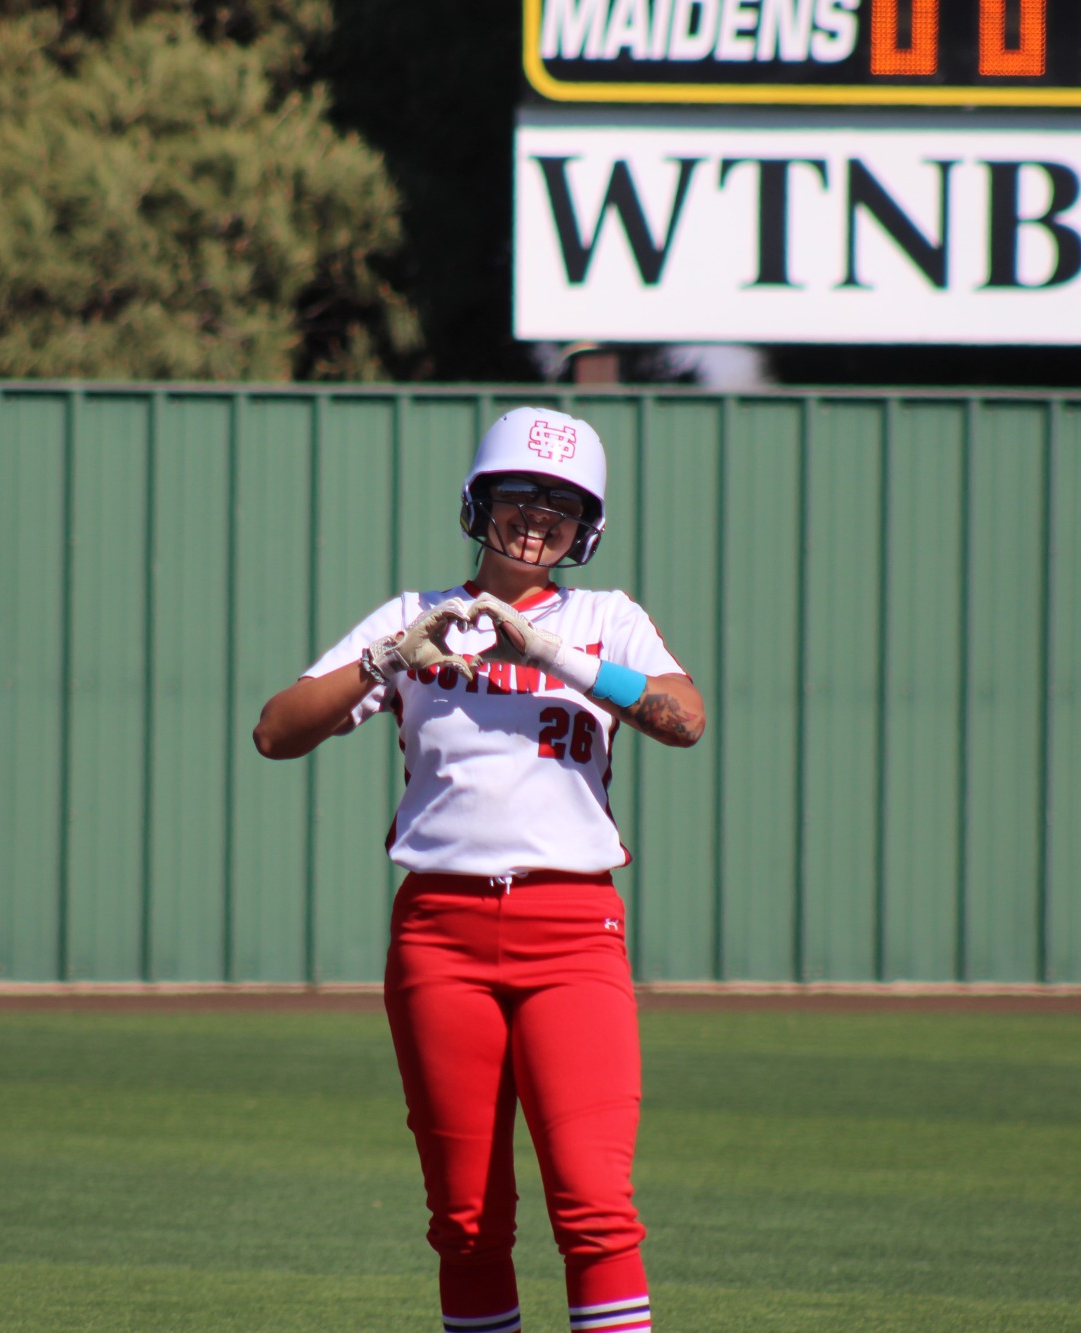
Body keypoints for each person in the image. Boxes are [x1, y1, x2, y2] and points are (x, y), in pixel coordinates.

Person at [253, 406, 705, 1333]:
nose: (539, 519)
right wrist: (387, 656)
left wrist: (550, 652)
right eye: (518, 496)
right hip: (440, 934)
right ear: (477, 503)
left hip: (574, 931)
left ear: (590, 526)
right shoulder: (416, 616)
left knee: (594, 1205)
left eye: (562, 504)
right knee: (466, 1222)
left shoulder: (602, 619)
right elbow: (276, 731)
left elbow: (683, 717)